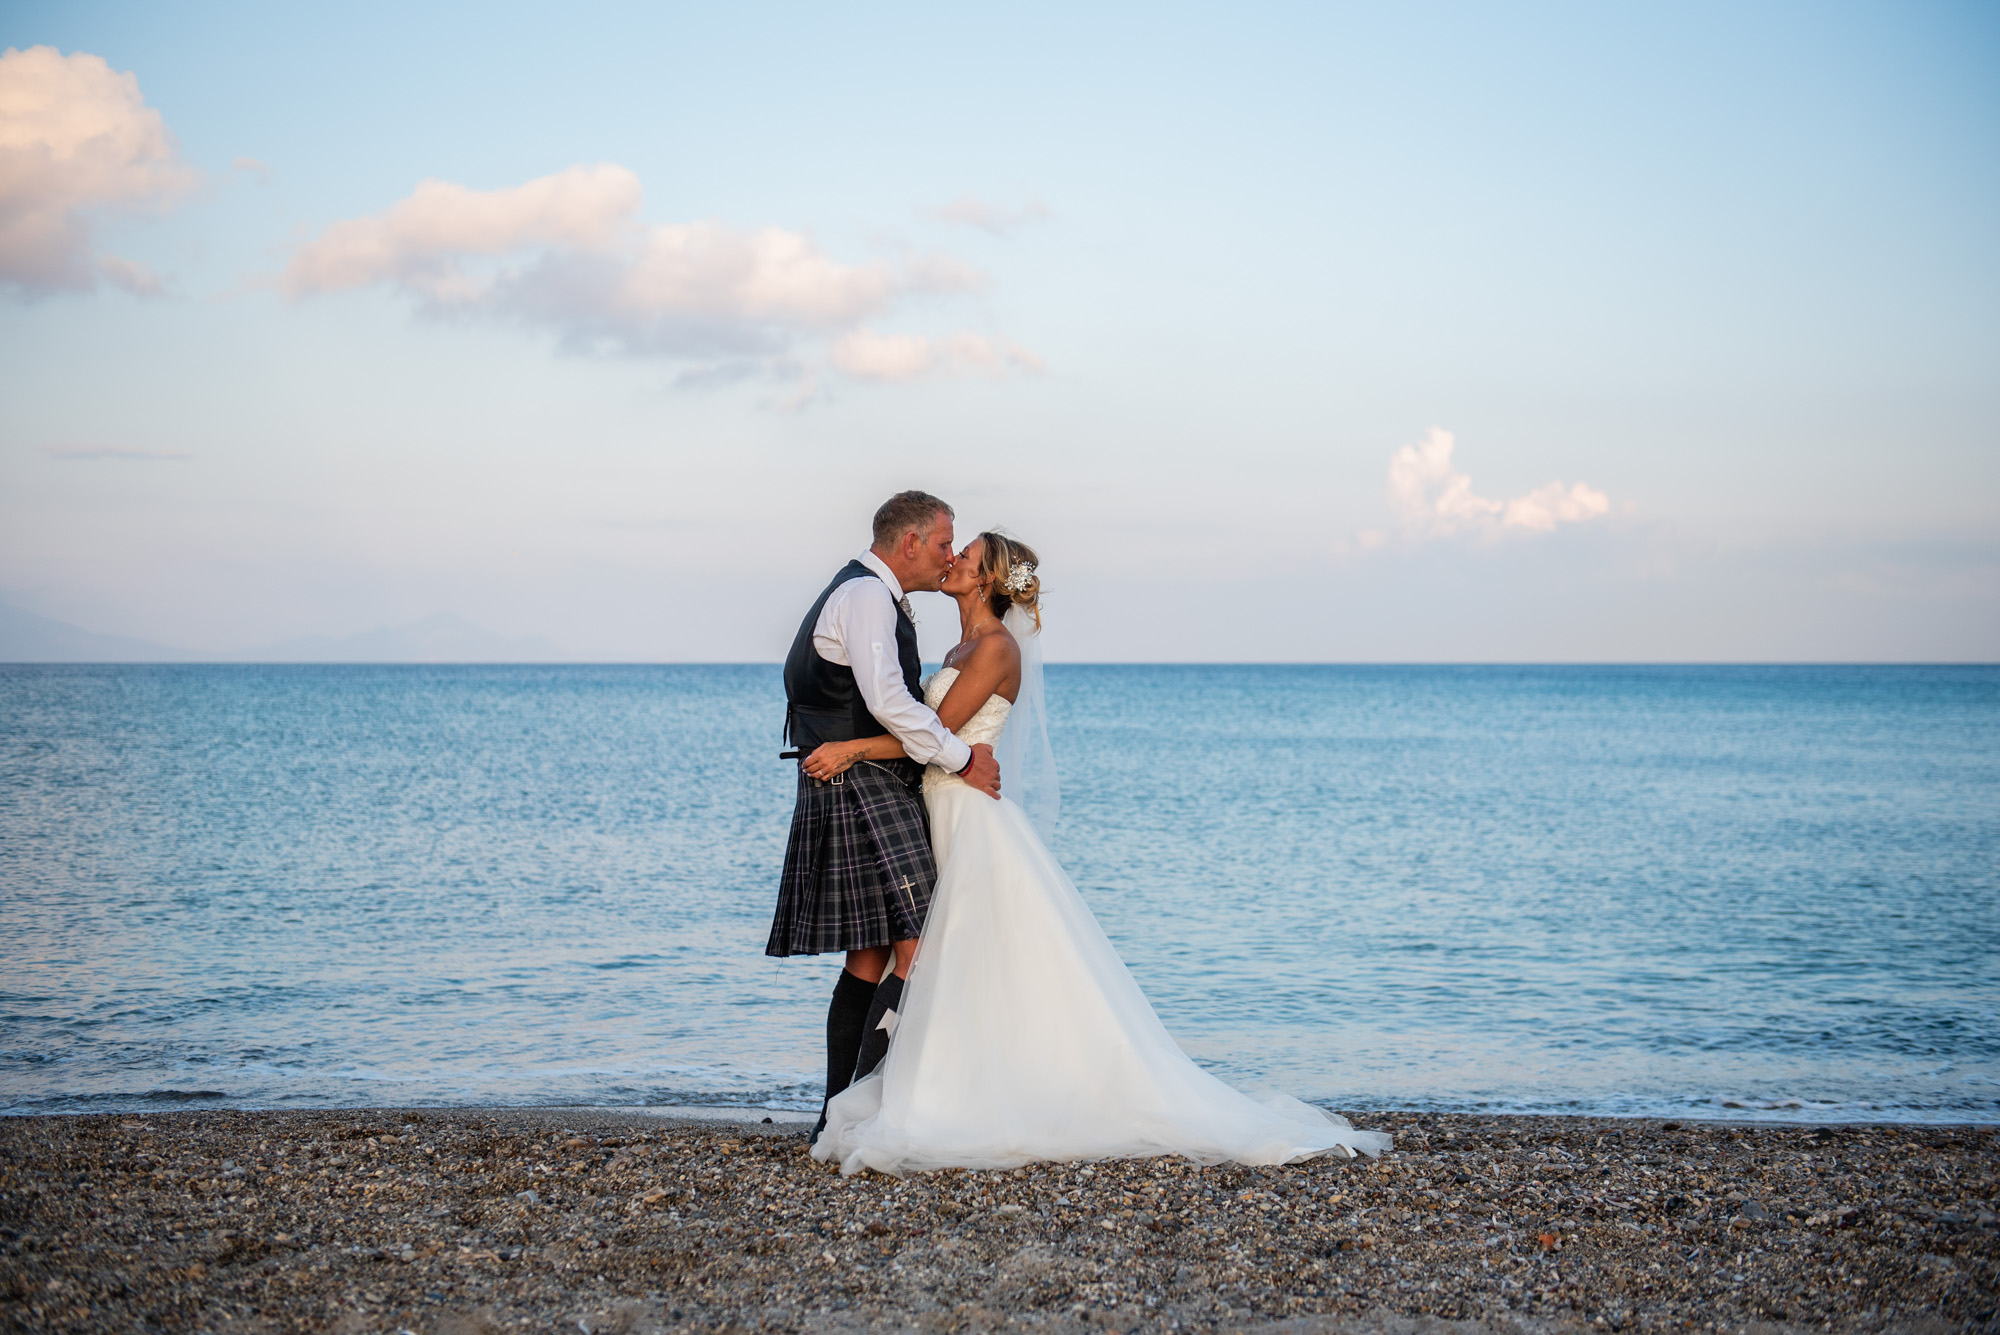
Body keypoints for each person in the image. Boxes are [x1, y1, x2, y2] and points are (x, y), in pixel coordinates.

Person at [801, 532, 1392, 1175]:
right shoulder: (958, 647)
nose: (952, 560)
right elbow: (929, 733)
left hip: (968, 816)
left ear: (987, 579)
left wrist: (852, 749)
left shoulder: (996, 649)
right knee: (944, 960)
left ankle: (925, 1097)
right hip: (939, 809)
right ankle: (898, 1090)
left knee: (952, 954)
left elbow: (935, 738)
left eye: (964, 556)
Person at [768, 490, 1003, 1148]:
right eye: (942, 543)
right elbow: (891, 702)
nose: (948, 556)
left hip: (858, 781)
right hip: (864, 784)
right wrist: (961, 758)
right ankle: (856, 1115)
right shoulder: (868, 596)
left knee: (871, 954)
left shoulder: (863, 593)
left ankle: (837, 1117)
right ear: (909, 544)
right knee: (916, 946)